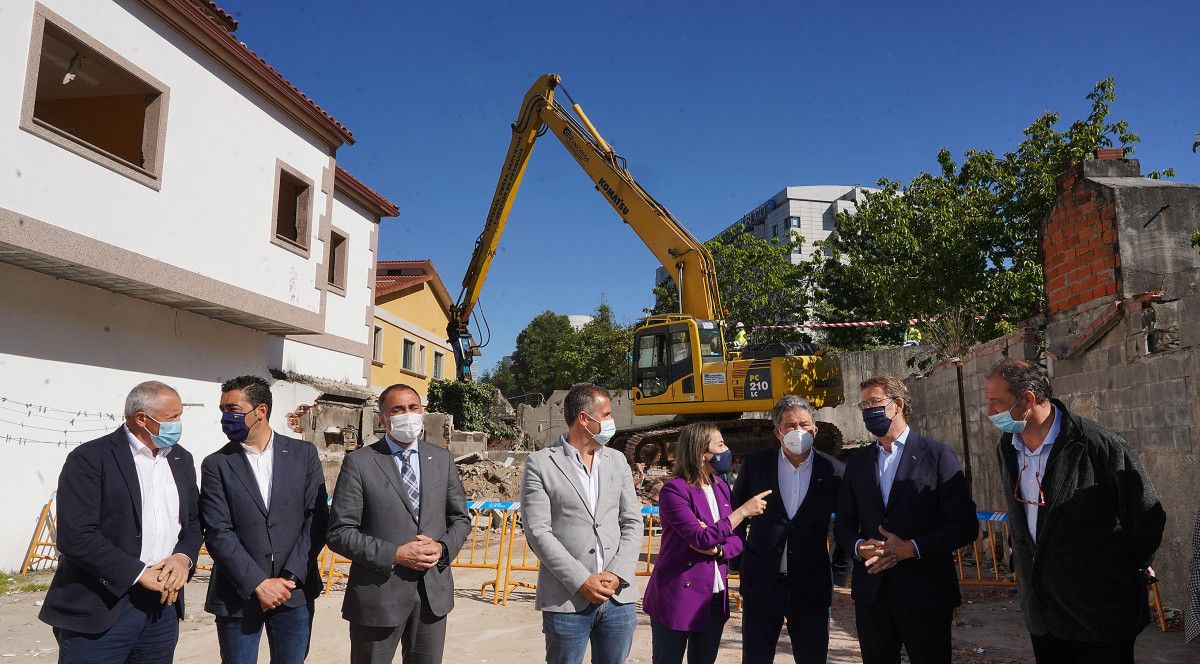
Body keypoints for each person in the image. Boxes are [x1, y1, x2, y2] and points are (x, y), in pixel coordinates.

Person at [986, 359, 1165, 663]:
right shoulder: (1008, 447)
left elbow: (1147, 516)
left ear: (1027, 399)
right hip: (1044, 616)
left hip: (1099, 616)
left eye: (997, 402)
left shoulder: (1098, 445)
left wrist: (1117, 568)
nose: (990, 412)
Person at [39, 381, 201, 663]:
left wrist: (183, 558)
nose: (178, 424)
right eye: (171, 417)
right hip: (102, 607)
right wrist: (138, 574)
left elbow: (193, 521)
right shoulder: (90, 458)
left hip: (162, 608)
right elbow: (76, 535)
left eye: (180, 416)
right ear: (142, 418)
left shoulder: (180, 459)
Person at [834, 375, 977, 664]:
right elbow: (844, 523)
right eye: (862, 406)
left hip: (925, 593)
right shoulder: (858, 463)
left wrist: (912, 548)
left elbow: (965, 526)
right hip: (872, 594)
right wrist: (859, 546)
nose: (866, 411)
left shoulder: (938, 456)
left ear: (897, 404)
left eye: (873, 403)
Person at [327, 384, 471, 664]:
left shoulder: (441, 459)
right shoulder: (360, 462)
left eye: (413, 407)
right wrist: (394, 554)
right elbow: (339, 532)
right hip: (378, 597)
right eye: (398, 409)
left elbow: (460, 519)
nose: (408, 414)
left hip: (432, 596)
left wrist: (442, 548)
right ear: (383, 419)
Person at [199, 375, 329, 663]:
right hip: (238, 593)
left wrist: (289, 578)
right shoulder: (216, 464)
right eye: (222, 410)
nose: (225, 417)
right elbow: (218, 531)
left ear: (261, 411)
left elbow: (316, 519)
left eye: (232, 409)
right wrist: (259, 583)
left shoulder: (302, 454)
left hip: (293, 592)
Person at [520, 383, 643, 664]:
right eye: (607, 414)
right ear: (584, 419)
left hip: (618, 597)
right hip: (567, 599)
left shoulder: (617, 460)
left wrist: (617, 573)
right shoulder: (540, 464)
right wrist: (581, 580)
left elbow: (632, 521)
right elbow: (538, 531)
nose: (612, 422)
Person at [643, 423, 769, 664]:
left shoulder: (720, 486)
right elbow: (699, 538)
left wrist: (719, 548)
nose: (727, 449)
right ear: (701, 453)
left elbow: (736, 538)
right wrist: (741, 512)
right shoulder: (674, 490)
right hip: (677, 594)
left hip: (713, 594)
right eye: (720, 444)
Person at [732, 395, 845, 664]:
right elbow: (737, 514)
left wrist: (840, 571)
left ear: (815, 429)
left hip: (811, 584)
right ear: (777, 431)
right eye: (791, 425)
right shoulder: (756, 464)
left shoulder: (834, 470)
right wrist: (736, 562)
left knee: (812, 657)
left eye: (805, 425)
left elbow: (846, 521)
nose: (799, 431)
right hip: (762, 583)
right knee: (756, 657)